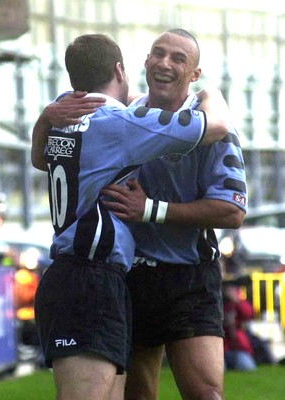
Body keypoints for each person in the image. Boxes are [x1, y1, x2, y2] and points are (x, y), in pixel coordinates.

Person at [43, 29, 247, 400]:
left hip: (187, 276)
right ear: (139, 65)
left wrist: (151, 210)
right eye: (158, 53)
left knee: (206, 394)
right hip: (126, 276)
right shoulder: (126, 118)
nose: (165, 63)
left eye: (178, 58)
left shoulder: (214, 126)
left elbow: (233, 211)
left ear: (194, 74)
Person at [222, 284, 257, 371]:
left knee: (246, 366)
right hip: (220, 347)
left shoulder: (238, 303)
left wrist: (236, 300)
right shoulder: (217, 303)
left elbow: (248, 314)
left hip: (238, 347)